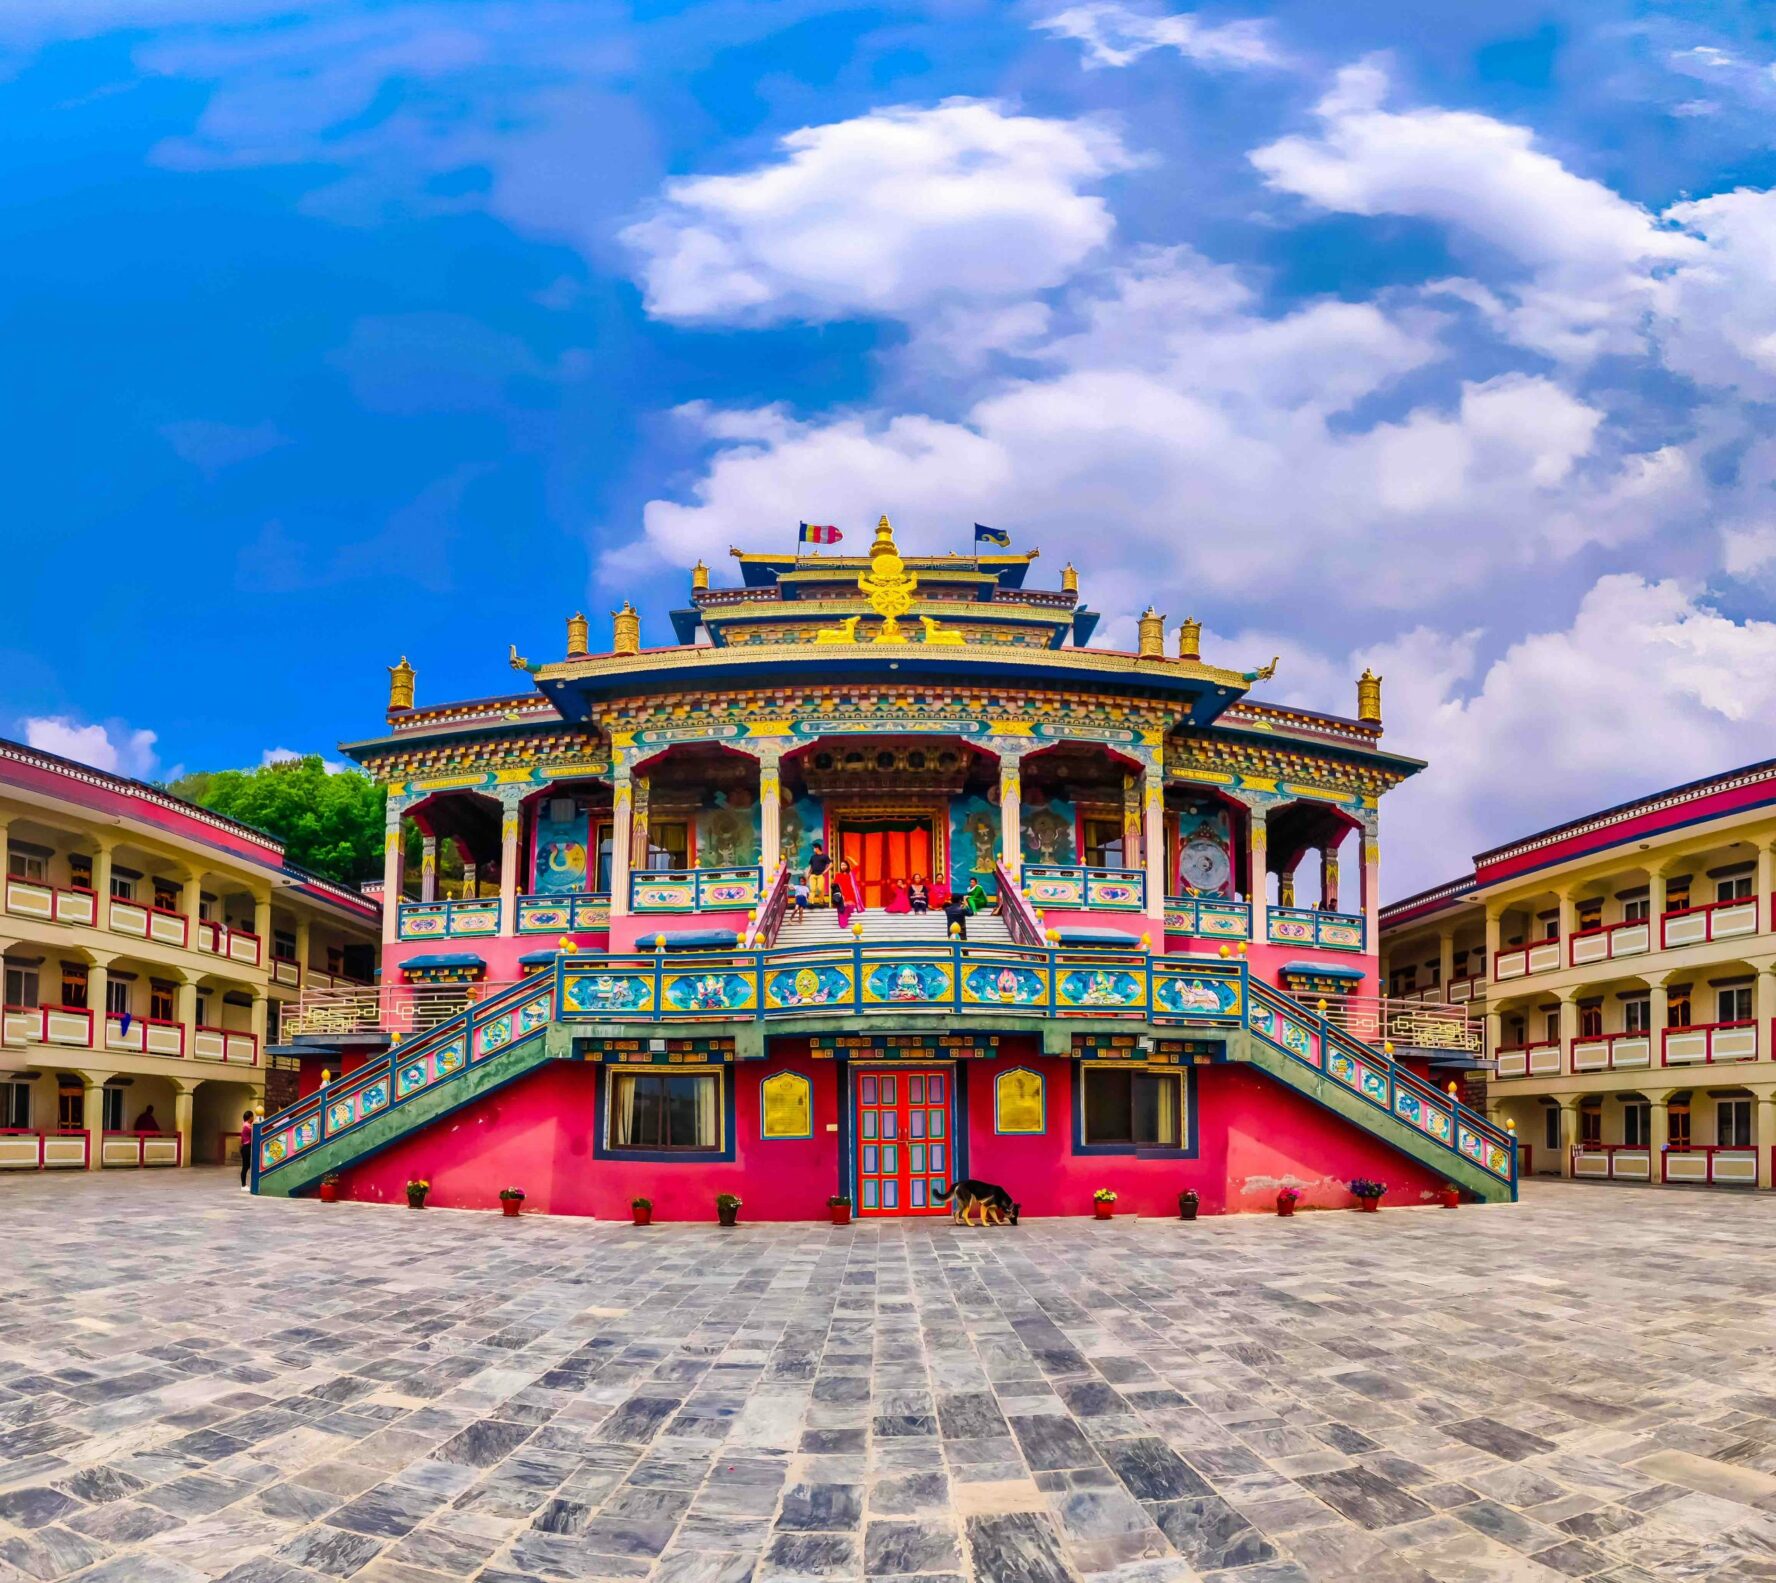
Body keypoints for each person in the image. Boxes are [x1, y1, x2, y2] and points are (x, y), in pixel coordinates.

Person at [834, 857, 864, 927]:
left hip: (850, 894)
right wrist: (840, 895)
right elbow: (836, 886)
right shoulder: (838, 875)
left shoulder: (851, 873)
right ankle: (843, 924)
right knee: (842, 909)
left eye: (844, 865)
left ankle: (846, 918)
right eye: (842, 865)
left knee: (850, 907)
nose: (843, 866)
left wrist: (850, 859)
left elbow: (858, 866)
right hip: (842, 895)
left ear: (847, 866)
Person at [806, 840, 831, 906]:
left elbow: (831, 864)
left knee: (820, 889)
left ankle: (821, 902)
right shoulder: (813, 857)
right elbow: (811, 867)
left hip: (820, 875)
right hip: (812, 875)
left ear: (817, 848)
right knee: (812, 889)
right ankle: (811, 902)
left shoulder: (824, 856)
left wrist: (825, 871)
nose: (813, 849)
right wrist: (808, 874)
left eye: (814, 848)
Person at [239, 1109, 255, 1191]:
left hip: (245, 1147)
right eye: (252, 1116)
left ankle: (244, 1185)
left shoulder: (246, 1125)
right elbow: (255, 1131)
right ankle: (243, 1185)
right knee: (245, 1166)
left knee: (247, 1166)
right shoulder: (247, 1126)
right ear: (250, 1117)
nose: (253, 1118)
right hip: (246, 1147)